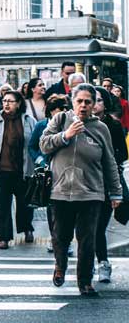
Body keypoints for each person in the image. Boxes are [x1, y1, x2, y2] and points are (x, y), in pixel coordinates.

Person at [40, 83, 123, 296]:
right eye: (80, 101)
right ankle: (60, 266)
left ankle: (85, 282)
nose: (84, 106)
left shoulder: (101, 128)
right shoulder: (60, 120)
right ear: (72, 102)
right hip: (61, 190)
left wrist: (116, 192)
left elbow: (109, 162)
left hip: (91, 192)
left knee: (87, 239)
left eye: (88, 102)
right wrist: (66, 135)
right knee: (61, 235)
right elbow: (44, 144)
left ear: (94, 105)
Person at [0, 90, 36, 250]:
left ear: (18, 103)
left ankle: (27, 228)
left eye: (10, 101)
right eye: (4, 101)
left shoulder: (28, 120)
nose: (6, 104)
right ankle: (4, 237)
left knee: (25, 204)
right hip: (1, 170)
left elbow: (35, 141)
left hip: (23, 170)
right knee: (3, 206)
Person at [27, 94, 71, 255]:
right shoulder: (41, 126)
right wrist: (40, 161)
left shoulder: (70, 126)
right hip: (49, 174)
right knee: (53, 208)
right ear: (51, 112)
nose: (60, 115)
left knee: (68, 208)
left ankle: (65, 239)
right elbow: (32, 146)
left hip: (67, 172)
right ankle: (55, 239)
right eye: (57, 111)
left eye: (64, 110)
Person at [92, 87, 127, 283]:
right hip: (84, 183)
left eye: (98, 100)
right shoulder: (79, 124)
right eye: (91, 100)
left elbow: (123, 153)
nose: (94, 104)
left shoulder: (112, 126)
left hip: (105, 182)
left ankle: (103, 262)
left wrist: (107, 158)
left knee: (98, 227)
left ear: (105, 104)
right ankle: (88, 262)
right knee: (86, 228)